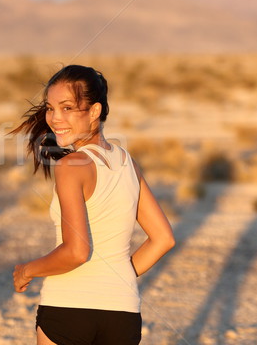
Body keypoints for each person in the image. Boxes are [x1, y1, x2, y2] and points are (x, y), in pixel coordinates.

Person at [11, 65, 175, 344]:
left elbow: (76, 252)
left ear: (95, 111)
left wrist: (26, 270)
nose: (54, 118)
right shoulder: (127, 162)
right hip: (123, 313)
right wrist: (117, 276)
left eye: (67, 108)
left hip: (68, 308)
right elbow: (163, 239)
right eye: (50, 108)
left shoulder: (70, 166)